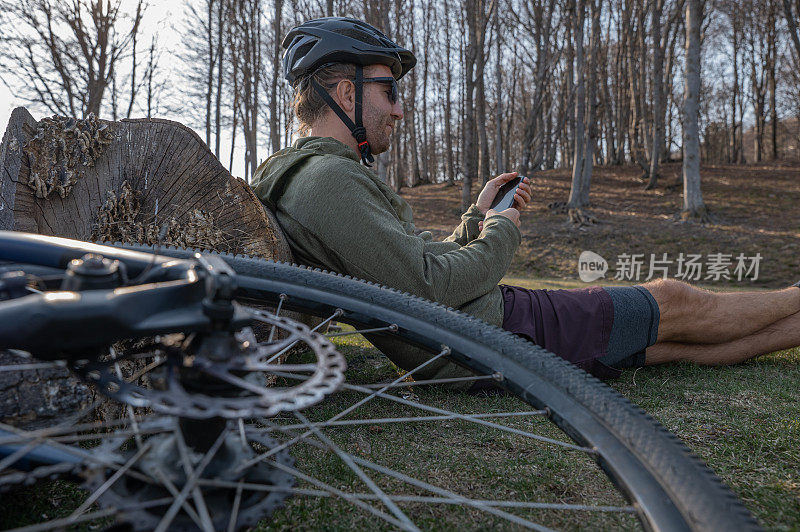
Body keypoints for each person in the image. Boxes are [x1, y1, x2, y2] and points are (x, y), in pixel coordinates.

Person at [252, 16, 800, 382]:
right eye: (388, 91)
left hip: (465, 341)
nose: (399, 110)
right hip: (488, 333)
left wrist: (474, 219)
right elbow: (427, 287)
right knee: (673, 299)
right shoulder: (326, 181)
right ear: (345, 92)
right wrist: (503, 229)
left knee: (669, 344)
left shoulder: (315, 179)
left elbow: (405, 267)